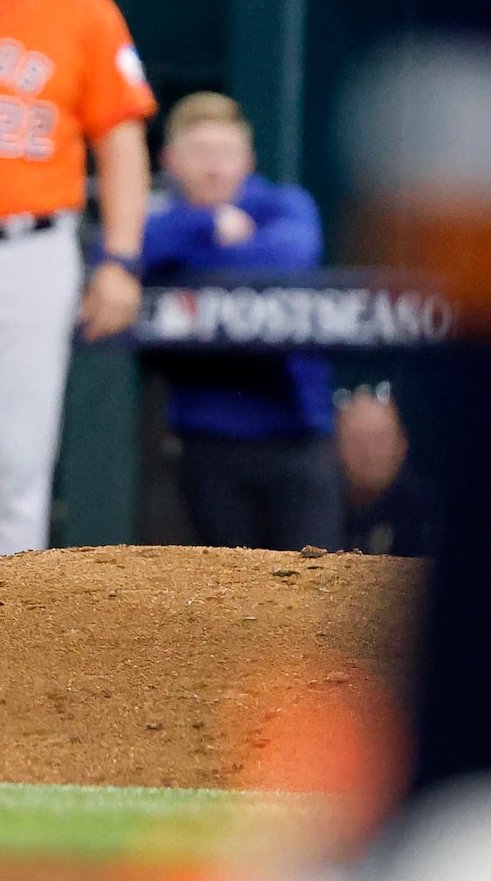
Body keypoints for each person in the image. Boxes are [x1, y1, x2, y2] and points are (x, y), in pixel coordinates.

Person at [0, 0, 149, 554]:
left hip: (28, 251)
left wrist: (121, 257)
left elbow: (120, 139)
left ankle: (6, 659)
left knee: (15, 466)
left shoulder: (79, 6)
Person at [140, 92, 342, 552]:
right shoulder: (162, 220)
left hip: (298, 437)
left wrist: (190, 264)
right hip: (206, 440)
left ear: (248, 158)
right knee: (225, 598)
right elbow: (126, 251)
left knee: (313, 591)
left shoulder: (284, 205)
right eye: (201, 154)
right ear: (170, 160)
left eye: (226, 153)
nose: (215, 168)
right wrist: (208, 225)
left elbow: (289, 255)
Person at [337, 383, 437, 557]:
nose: (369, 453)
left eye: (379, 439)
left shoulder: (427, 514)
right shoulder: (314, 511)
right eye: (357, 441)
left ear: (402, 445)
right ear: (335, 447)